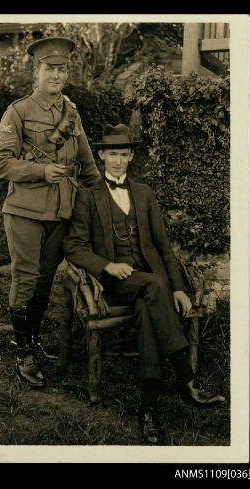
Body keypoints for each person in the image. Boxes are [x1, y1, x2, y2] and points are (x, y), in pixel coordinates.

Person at [63, 124, 225, 444]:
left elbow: (164, 248)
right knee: (153, 287)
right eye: (112, 155)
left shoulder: (144, 193)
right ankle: (185, 376)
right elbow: (74, 247)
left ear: (131, 157)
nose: (118, 161)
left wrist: (178, 288)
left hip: (150, 285)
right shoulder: (87, 196)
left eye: (124, 155)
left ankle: (148, 407)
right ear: (101, 156)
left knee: (148, 304)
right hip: (114, 282)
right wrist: (107, 265)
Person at [0, 37, 100, 388]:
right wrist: (41, 171)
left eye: (62, 69)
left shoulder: (72, 112)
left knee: (44, 280)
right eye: (49, 69)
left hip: (61, 212)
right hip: (24, 210)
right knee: (25, 277)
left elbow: (87, 163)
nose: (56, 75)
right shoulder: (18, 111)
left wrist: (104, 197)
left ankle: (33, 341)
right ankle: (23, 352)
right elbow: (0, 163)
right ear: (35, 71)